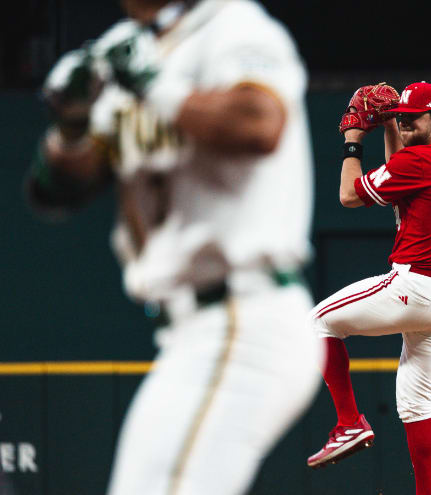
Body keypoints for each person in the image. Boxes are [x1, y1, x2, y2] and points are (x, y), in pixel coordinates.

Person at [26, 1, 322, 493]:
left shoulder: (234, 25)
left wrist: (153, 85)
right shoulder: (123, 49)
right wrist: (71, 127)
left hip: (245, 317)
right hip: (185, 335)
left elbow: (259, 125)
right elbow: (56, 191)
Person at [307, 82, 431, 495]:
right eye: (400, 118)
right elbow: (402, 172)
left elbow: (350, 195)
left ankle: (348, 422)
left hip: (416, 285)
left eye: (411, 119)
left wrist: (352, 140)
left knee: (315, 325)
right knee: (416, 406)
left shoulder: (419, 161)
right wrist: (389, 125)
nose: (404, 125)